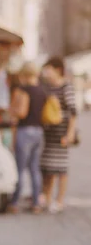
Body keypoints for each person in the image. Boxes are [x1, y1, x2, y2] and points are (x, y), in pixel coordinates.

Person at [6, 62, 47, 214]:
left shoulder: (23, 90)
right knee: (34, 169)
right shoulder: (42, 91)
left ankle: (15, 201)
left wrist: (12, 109)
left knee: (19, 168)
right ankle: (36, 202)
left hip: (25, 131)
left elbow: (22, 113)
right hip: (38, 131)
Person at [40, 57, 77, 213]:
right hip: (49, 132)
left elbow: (73, 112)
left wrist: (70, 133)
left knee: (61, 168)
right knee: (48, 167)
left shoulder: (66, 87)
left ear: (57, 70)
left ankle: (59, 200)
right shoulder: (47, 87)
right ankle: (46, 197)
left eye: (49, 69)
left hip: (61, 132)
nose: (46, 72)